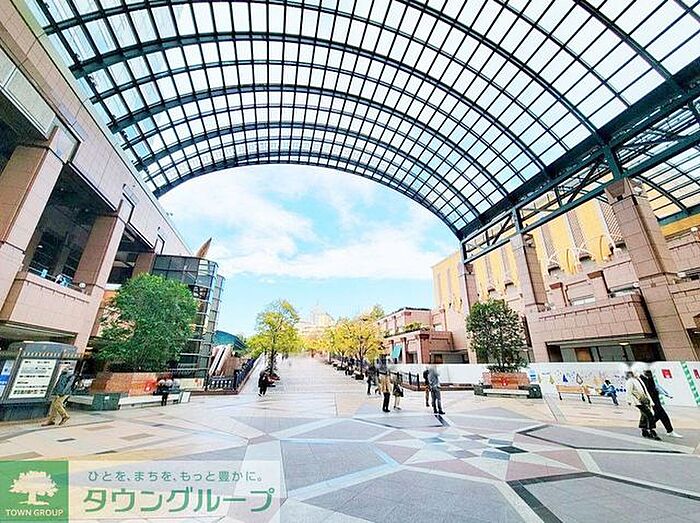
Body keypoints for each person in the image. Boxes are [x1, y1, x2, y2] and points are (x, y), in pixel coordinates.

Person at [641, 370, 683, 438]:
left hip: (655, 398)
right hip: (650, 399)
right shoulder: (641, 378)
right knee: (662, 414)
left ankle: (646, 427)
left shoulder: (649, 377)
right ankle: (669, 431)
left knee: (660, 415)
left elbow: (656, 386)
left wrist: (665, 394)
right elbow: (645, 389)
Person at [625, 370, 660, 440]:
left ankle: (644, 430)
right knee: (649, 414)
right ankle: (651, 430)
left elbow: (645, 391)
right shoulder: (630, 381)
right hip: (638, 401)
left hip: (645, 400)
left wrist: (651, 401)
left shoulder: (639, 380)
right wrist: (629, 400)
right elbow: (629, 391)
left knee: (644, 415)